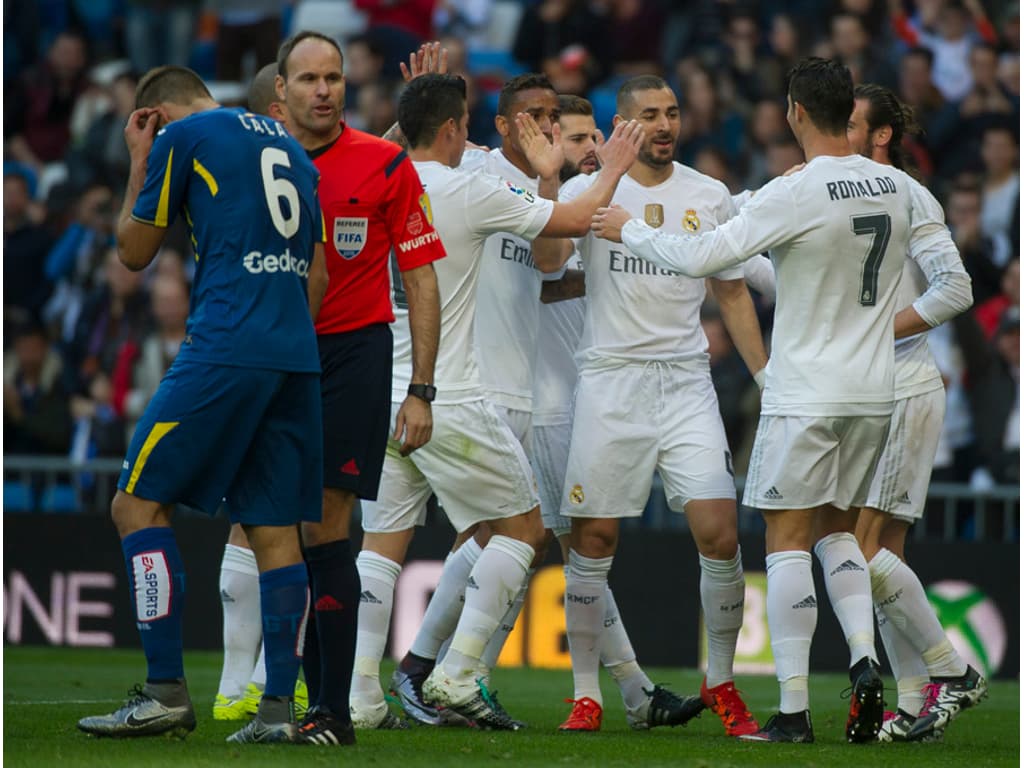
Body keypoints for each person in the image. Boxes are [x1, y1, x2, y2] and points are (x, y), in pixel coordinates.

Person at [592, 57, 915, 745]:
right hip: (875, 392)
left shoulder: (794, 190)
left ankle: (794, 710)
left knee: (787, 537)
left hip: (806, 390)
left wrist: (632, 230)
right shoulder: (897, 188)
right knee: (837, 531)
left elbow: (708, 257)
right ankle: (863, 658)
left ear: (796, 111)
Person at [350, 72, 652, 732]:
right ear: (456, 129)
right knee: (524, 530)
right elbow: (572, 221)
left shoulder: (374, 181)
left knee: (379, 547)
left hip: (378, 390)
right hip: (447, 393)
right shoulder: (466, 187)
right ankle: (457, 673)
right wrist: (616, 167)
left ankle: (361, 696)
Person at [75, 64, 326, 744]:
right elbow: (320, 274)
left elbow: (133, 252)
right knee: (275, 531)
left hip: (225, 346)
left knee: (134, 504)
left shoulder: (183, 137)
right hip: (294, 355)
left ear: (155, 116)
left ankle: (163, 692)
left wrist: (139, 161)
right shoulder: (293, 149)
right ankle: (277, 712)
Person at [551, 75, 766, 736]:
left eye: (672, 112)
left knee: (720, 533)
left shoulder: (709, 194)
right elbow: (547, 261)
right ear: (623, 124)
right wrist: (584, 184)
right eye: (650, 115)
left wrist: (769, 380)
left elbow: (731, 293)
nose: (666, 124)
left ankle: (722, 681)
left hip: (683, 381)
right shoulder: (586, 192)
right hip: (610, 381)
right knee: (594, 538)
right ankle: (586, 694)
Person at [274, 31, 445, 746]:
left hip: (353, 356)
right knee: (275, 530)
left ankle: (333, 714)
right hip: (269, 355)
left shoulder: (384, 164)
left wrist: (422, 389)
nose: (323, 89)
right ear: (280, 89)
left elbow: (421, 278)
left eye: (334, 77)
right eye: (309, 78)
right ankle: (286, 706)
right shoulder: (255, 159)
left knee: (326, 522)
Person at [531, 94, 706, 732]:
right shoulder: (569, 192)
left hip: (588, 393)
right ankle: (437, 672)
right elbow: (546, 266)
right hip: (548, 399)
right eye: (569, 137)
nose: (581, 147)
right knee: (520, 544)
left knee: (557, 545)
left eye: (585, 135)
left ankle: (633, 692)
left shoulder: (603, 193)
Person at [846, 83, 983, 743]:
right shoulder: (831, 190)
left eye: (847, 123)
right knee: (881, 555)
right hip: (862, 390)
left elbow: (956, 286)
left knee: (859, 547)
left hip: (901, 383)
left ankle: (952, 670)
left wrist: (878, 332)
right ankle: (910, 702)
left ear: (879, 136)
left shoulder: (907, 195)